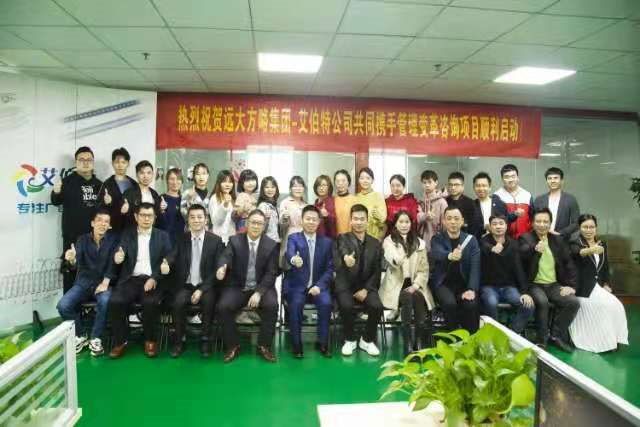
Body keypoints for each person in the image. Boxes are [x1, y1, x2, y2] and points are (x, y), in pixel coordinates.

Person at [108, 203, 172, 359]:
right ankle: (120, 341)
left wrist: (154, 277)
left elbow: (168, 259)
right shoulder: (127, 234)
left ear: (154, 218)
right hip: (131, 279)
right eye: (143, 215)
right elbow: (119, 252)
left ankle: (150, 340)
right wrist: (117, 257)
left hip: (152, 280)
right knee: (115, 301)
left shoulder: (162, 236)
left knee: (150, 303)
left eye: (150, 216)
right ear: (136, 217)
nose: (146, 219)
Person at [216, 209, 280, 363]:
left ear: (264, 226)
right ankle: (233, 345)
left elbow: (271, 273)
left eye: (260, 223)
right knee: (223, 306)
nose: (256, 226)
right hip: (238, 286)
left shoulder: (271, 245)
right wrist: (221, 267)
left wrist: (259, 292)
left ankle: (264, 346)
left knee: (272, 305)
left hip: (261, 286)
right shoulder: (235, 241)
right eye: (253, 222)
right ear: (247, 223)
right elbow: (225, 256)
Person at [56, 209, 118, 357]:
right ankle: (81, 334)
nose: (103, 224)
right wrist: (72, 259)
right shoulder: (82, 240)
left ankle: (96, 338)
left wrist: (106, 282)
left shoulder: (114, 240)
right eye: (99, 220)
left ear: (109, 225)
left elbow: (114, 264)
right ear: (92, 223)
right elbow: (75, 263)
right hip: (84, 282)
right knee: (63, 306)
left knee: (105, 301)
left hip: (104, 283)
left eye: (106, 222)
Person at [167, 204, 225, 358]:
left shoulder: (215, 241)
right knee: (177, 303)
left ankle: (205, 340)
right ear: (188, 220)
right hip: (186, 285)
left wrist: (201, 290)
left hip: (206, 285)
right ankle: (179, 340)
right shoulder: (181, 239)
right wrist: (166, 262)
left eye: (200, 217)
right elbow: (172, 256)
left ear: (206, 220)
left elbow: (217, 270)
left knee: (209, 302)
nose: (196, 220)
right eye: (192, 217)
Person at [519, 208, 579, 352]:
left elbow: (568, 264)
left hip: (553, 285)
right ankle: (541, 340)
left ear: (550, 223)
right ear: (532, 223)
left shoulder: (557, 240)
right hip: (534, 285)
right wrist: (535, 250)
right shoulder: (525, 238)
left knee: (573, 302)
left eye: (545, 221)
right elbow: (523, 254)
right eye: (538, 221)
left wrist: (571, 286)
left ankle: (556, 335)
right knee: (542, 302)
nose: (542, 224)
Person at [568, 214, 628, 353]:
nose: (589, 230)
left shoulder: (602, 244)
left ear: (596, 228)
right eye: (585, 227)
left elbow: (605, 267)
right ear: (580, 228)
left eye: (592, 227)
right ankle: (601, 343)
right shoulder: (574, 243)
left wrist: (607, 284)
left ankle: (612, 340)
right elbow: (577, 253)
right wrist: (591, 249)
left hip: (598, 286)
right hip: (582, 288)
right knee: (604, 306)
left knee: (617, 306)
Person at [283, 205, 334, 358]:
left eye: (314, 219)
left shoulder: (327, 242)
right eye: (308, 219)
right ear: (302, 220)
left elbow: (330, 269)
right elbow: (289, 253)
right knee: (295, 305)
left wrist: (319, 286)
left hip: (318, 286)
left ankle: (322, 343)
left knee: (326, 303)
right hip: (297, 285)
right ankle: (297, 345)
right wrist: (294, 259)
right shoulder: (293, 238)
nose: (311, 222)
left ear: (319, 222)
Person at [380, 210, 433, 356]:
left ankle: (418, 341)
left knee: (416, 296)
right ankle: (408, 343)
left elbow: (424, 269)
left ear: (411, 224)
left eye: (407, 222)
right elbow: (393, 259)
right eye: (401, 222)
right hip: (396, 285)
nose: (404, 225)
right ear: (396, 224)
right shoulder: (389, 241)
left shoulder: (419, 243)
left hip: (416, 284)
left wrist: (416, 285)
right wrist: (403, 251)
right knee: (407, 297)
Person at [335, 204, 383, 357]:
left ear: (367, 221)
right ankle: (350, 339)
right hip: (346, 285)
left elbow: (377, 271)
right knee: (346, 305)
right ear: (350, 221)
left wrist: (366, 289)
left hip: (366, 286)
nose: (359, 222)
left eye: (362, 219)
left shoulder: (375, 243)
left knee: (377, 306)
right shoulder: (343, 238)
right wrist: (346, 258)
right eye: (355, 219)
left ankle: (367, 340)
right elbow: (343, 251)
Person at [51, 146, 102, 293]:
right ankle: (69, 305)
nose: (85, 162)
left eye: (89, 160)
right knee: (70, 272)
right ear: (76, 162)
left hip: (94, 238)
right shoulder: (67, 182)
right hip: (72, 238)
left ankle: (91, 304)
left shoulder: (100, 185)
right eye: (82, 159)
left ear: (93, 162)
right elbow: (56, 201)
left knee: (94, 272)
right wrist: (56, 192)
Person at [479, 215, 534, 335]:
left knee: (528, 305)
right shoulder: (484, 241)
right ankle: (494, 335)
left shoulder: (513, 244)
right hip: (488, 286)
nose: (498, 226)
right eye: (494, 224)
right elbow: (485, 247)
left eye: (501, 223)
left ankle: (511, 335)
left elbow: (518, 269)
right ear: (490, 227)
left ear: (506, 226)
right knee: (491, 303)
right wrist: (493, 248)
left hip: (508, 287)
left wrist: (524, 292)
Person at [429, 206, 481, 333]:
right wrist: (450, 256)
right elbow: (436, 253)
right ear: (444, 221)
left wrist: (471, 289)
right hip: (443, 284)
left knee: (471, 304)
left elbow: (475, 267)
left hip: (464, 285)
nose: (453, 222)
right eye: (449, 218)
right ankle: (453, 336)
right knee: (449, 303)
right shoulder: (437, 238)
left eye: (456, 218)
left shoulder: (471, 240)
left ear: (462, 221)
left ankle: (471, 338)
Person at [97, 147, 137, 234]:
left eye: (123, 162)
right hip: (113, 229)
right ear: (112, 163)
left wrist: (129, 208)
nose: (120, 165)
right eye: (117, 162)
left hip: (131, 229)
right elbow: (99, 208)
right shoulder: (107, 184)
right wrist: (106, 202)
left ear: (128, 164)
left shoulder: (134, 184)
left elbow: (138, 205)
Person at [534, 167, 580, 239]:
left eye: (556, 178)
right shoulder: (539, 200)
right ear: (546, 181)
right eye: (549, 178)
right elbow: (533, 220)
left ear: (562, 181)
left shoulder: (570, 199)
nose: (552, 181)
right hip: (541, 238)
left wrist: (561, 233)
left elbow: (576, 223)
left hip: (562, 239)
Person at [495, 164, 534, 239]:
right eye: (507, 177)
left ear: (517, 178)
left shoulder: (527, 195)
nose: (510, 180)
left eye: (513, 176)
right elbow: (497, 219)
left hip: (526, 239)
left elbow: (533, 217)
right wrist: (514, 214)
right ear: (502, 179)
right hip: (505, 239)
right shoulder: (497, 196)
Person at [121, 160, 161, 229]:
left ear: (152, 175)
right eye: (142, 173)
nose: (145, 176)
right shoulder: (129, 193)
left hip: (150, 232)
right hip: (134, 231)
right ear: (137, 175)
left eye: (149, 173)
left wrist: (162, 209)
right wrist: (124, 212)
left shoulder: (154, 194)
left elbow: (157, 215)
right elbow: (122, 218)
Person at [279, 176, 308, 267]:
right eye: (295, 186)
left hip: (304, 238)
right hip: (290, 237)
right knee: (290, 264)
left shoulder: (306, 205)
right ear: (290, 188)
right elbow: (281, 224)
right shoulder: (285, 202)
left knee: (303, 265)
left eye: (300, 186)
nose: (298, 189)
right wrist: (284, 218)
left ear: (304, 188)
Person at [417, 170, 447, 253]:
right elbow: (416, 219)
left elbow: (445, 225)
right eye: (424, 182)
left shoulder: (442, 202)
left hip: (437, 241)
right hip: (421, 241)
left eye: (430, 182)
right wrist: (425, 216)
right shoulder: (420, 201)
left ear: (436, 182)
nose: (427, 185)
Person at [472, 172, 508, 239]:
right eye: (478, 186)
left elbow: (506, 222)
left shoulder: (500, 204)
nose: (481, 188)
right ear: (474, 188)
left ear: (490, 187)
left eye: (484, 185)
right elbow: (470, 228)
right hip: (478, 241)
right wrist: (484, 227)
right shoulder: (470, 205)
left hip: (497, 240)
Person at [445, 172, 481, 238]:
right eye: (450, 184)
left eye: (456, 185)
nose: (453, 187)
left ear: (462, 186)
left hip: (465, 239)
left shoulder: (470, 203)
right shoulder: (444, 201)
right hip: (446, 238)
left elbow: (475, 226)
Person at [355, 167, 387, 240]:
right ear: (359, 180)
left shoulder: (378, 196)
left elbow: (383, 219)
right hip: (358, 236)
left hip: (374, 237)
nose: (365, 181)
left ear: (372, 180)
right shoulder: (356, 197)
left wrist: (378, 216)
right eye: (362, 178)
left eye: (368, 178)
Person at [157, 167, 185, 245]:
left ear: (181, 181)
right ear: (167, 181)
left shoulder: (184, 200)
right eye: (172, 179)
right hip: (164, 242)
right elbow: (157, 224)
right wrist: (161, 210)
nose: (175, 182)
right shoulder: (160, 199)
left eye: (178, 179)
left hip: (181, 241)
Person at [208, 169, 236, 244]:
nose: (227, 184)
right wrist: (225, 204)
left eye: (230, 182)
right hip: (219, 240)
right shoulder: (214, 198)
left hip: (231, 239)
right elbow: (216, 221)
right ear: (219, 183)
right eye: (224, 181)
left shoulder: (232, 198)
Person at [257, 176, 281, 243]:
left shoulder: (274, 205)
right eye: (267, 187)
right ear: (262, 189)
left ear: (276, 189)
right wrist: (266, 219)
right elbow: (259, 228)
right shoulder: (263, 206)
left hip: (275, 241)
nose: (270, 190)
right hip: (266, 242)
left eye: (272, 187)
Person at [334, 169, 356, 236]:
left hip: (351, 238)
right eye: (337, 181)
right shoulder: (332, 200)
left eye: (343, 180)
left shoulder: (355, 200)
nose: (340, 183)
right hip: (335, 238)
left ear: (348, 182)